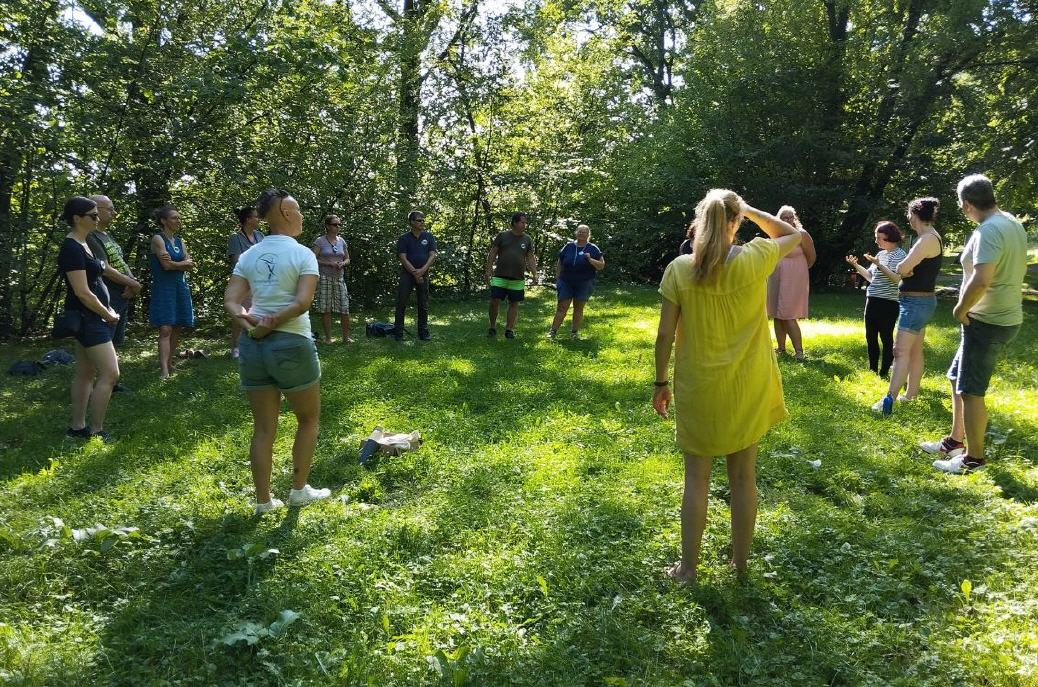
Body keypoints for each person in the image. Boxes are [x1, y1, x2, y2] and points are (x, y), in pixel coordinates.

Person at [653, 189, 801, 584]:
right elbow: (794, 235)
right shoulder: (756, 257)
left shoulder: (679, 269)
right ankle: (740, 564)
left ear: (700, 222)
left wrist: (660, 382)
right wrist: (750, 210)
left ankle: (688, 569)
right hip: (747, 386)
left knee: (696, 478)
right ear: (736, 221)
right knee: (743, 477)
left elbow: (664, 335)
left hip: (698, 385)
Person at [225, 187, 331, 513]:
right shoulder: (303, 254)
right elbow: (302, 303)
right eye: (297, 210)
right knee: (308, 419)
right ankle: (298, 491)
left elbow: (231, 302)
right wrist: (271, 323)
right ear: (285, 212)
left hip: (253, 348)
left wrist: (251, 325)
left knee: (263, 428)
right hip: (292, 344)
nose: (301, 216)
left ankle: (263, 502)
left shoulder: (249, 255)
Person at [924, 175, 1028, 474]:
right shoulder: (1011, 222)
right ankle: (955, 441)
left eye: (961, 204)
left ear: (967, 204)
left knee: (971, 390)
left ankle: (974, 459)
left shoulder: (990, 230)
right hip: (997, 318)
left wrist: (961, 308)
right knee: (956, 377)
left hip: (987, 321)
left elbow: (982, 279)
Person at [868, 197, 943, 415]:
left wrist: (905, 269)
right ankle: (911, 395)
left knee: (900, 351)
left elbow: (902, 268)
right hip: (919, 302)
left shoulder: (926, 239)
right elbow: (906, 269)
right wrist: (907, 269)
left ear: (914, 215)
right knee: (915, 351)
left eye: (909, 214)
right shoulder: (929, 237)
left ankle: (888, 400)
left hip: (916, 303)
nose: (908, 218)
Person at [58, 197, 121, 442]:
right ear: (77, 218)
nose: (98, 218)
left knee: (86, 372)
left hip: (93, 316)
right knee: (111, 373)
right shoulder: (72, 248)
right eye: (93, 215)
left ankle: (77, 428)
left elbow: (98, 276)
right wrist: (107, 313)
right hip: (88, 318)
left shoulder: (85, 243)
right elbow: (82, 292)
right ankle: (96, 430)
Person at [845, 221, 908, 377]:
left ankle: (884, 371)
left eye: (879, 237)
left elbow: (897, 279)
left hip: (888, 303)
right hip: (872, 300)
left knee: (886, 337)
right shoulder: (880, 255)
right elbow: (870, 277)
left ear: (889, 237)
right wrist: (856, 266)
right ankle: (872, 370)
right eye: (876, 237)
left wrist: (879, 265)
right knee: (870, 337)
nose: (876, 241)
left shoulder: (900, 255)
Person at [85, 195, 141, 350]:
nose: (114, 213)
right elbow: (106, 270)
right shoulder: (90, 236)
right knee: (103, 343)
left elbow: (120, 262)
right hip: (107, 295)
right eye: (110, 209)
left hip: (121, 293)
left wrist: (131, 283)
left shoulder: (106, 235)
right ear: (96, 210)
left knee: (114, 344)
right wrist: (134, 284)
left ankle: (110, 367)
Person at [149, 205, 196, 378]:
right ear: (163, 221)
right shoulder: (158, 239)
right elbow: (166, 266)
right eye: (174, 218)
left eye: (179, 218)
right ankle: (163, 370)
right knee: (165, 328)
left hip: (180, 287)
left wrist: (177, 264)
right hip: (164, 288)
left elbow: (190, 264)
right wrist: (181, 264)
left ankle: (169, 364)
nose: (178, 221)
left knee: (177, 326)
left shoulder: (179, 241)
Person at [766, 205, 815, 359]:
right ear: (779, 219)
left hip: (794, 278)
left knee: (788, 314)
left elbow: (811, 257)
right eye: (784, 218)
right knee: (776, 313)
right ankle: (781, 348)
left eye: (790, 217)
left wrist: (799, 270)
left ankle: (799, 351)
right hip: (776, 276)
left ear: (794, 218)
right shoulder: (776, 234)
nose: (787, 220)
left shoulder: (801, 234)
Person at [548, 224, 605, 340]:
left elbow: (601, 266)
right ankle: (553, 332)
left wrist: (590, 259)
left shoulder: (593, 248)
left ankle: (574, 333)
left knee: (578, 308)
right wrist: (558, 278)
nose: (581, 233)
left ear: (588, 235)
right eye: (579, 231)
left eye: (584, 232)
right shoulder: (568, 246)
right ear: (576, 233)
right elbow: (560, 262)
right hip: (566, 281)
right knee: (562, 307)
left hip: (584, 282)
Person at [486, 212, 538, 339]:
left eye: (525, 223)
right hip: (500, 276)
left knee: (514, 303)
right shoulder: (502, 236)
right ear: (514, 222)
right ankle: (492, 327)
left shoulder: (527, 239)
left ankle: (509, 330)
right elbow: (493, 253)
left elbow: (530, 258)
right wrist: (488, 270)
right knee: (494, 301)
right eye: (522, 222)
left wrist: (535, 274)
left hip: (517, 278)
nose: (524, 225)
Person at [394, 210, 438, 341]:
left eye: (423, 220)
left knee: (423, 304)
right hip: (407, 275)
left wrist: (422, 271)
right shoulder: (404, 238)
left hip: (423, 274)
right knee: (401, 303)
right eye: (419, 220)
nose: (422, 222)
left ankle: (423, 333)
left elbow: (432, 255)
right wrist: (414, 273)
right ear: (411, 222)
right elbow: (402, 257)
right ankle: (398, 333)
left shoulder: (428, 237)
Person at [227, 206, 264, 358]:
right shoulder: (235, 238)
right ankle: (236, 347)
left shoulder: (260, 236)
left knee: (259, 313)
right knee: (241, 314)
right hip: (242, 282)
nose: (258, 219)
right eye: (256, 216)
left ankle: (255, 344)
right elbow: (237, 261)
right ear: (248, 219)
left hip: (260, 281)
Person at [311, 214, 352, 343]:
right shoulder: (320, 241)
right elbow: (312, 258)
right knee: (325, 308)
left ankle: (346, 338)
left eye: (339, 224)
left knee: (344, 308)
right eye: (335, 224)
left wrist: (343, 263)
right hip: (324, 277)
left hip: (339, 277)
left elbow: (347, 258)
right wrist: (328, 263)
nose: (338, 227)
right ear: (328, 226)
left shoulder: (342, 241)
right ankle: (328, 338)